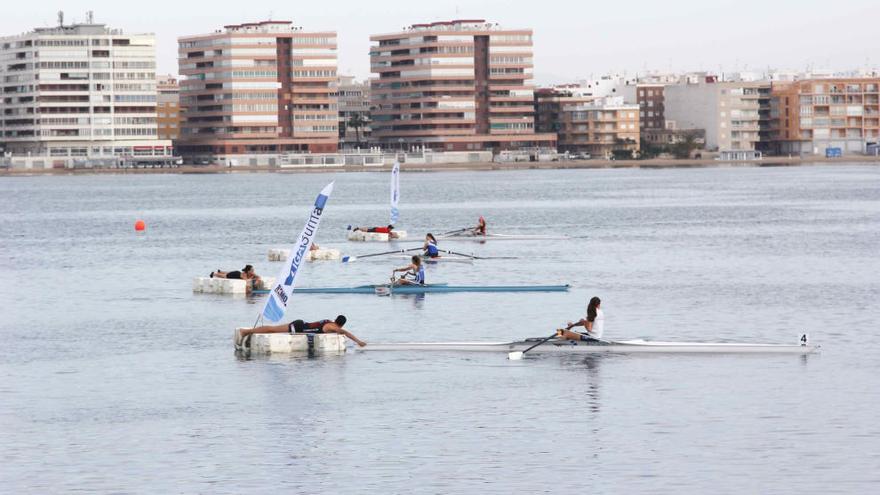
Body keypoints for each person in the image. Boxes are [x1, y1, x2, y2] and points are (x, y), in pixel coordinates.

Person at [236, 315, 367, 348]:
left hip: (300, 324)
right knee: (272, 329)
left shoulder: (329, 322)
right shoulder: (334, 328)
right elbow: (346, 333)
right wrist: (359, 342)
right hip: (299, 328)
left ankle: (247, 332)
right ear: (341, 324)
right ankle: (246, 332)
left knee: (273, 329)